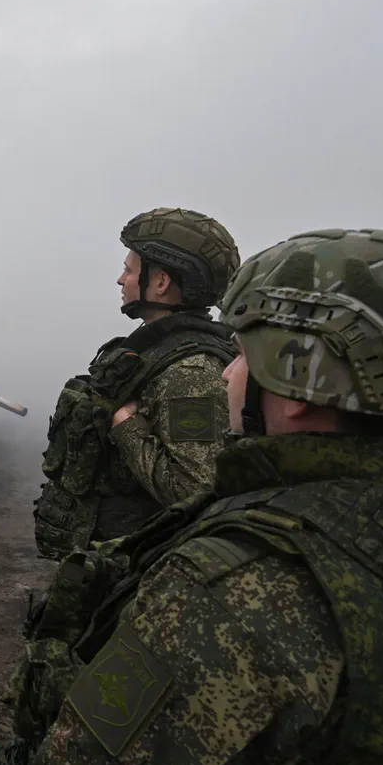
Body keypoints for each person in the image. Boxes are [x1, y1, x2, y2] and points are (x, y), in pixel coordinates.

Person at [0, 227, 383, 765]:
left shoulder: (235, 587)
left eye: (244, 355)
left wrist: (127, 427)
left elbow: (193, 483)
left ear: (298, 381)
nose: (227, 372)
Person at [34, 207, 242, 560]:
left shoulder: (190, 372)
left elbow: (196, 490)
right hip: (110, 566)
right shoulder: (153, 349)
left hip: (142, 567)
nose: (121, 280)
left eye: (129, 270)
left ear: (161, 282)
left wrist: (125, 428)